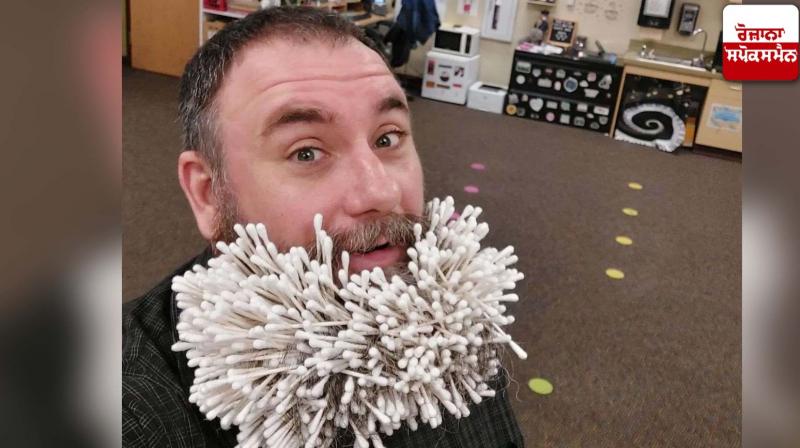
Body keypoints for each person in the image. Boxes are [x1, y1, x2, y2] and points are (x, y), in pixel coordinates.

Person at [123, 6, 523, 447]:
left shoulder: (457, 323)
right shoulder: (129, 412)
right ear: (208, 194)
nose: (380, 192)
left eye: (387, 138)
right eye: (306, 152)